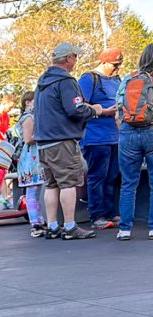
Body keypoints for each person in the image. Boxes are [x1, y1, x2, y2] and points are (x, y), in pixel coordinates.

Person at [33, 42, 103, 240]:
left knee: (51, 184)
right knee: (68, 184)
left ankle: (53, 226)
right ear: (68, 58)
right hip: (62, 141)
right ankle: (70, 226)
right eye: (75, 57)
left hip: (43, 142)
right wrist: (94, 110)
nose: (76, 61)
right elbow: (75, 110)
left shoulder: (42, 82)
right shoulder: (66, 81)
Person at [78, 48, 123, 230]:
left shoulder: (117, 80)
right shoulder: (89, 79)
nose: (117, 68)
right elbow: (80, 105)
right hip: (96, 137)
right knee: (97, 176)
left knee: (112, 176)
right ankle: (97, 215)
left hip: (114, 136)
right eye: (114, 64)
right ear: (104, 62)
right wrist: (104, 111)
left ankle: (109, 211)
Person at [115, 43, 153, 241]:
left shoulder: (129, 78)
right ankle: (152, 228)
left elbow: (118, 108)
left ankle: (124, 229)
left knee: (128, 183)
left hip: (128, 132)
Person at [15, 91, 46, 237]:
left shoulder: (31, 117)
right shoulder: (28, 118)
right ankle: (36, 223)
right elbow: (28, 139)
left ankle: (38, 220)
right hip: (31, 159)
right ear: (28, 102)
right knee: (32, 193)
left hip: (32, 158)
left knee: (35, 192)